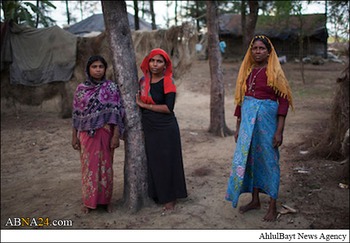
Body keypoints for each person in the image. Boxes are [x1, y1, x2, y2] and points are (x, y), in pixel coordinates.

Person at [225, 35, 294, 221]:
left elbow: (284, 101)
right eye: (254, 48)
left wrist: (279, 130)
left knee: (269, 161)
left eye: (261, 48)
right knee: (250, 159)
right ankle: (255, 200)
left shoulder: (275, 73)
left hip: (267, 123)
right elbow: (240, 100)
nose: (257, 51)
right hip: (248, 123)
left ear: (269, 51)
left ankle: (272, 204)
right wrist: (238, 127)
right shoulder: (247, 72)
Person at [135, 48, 187, 212]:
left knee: (167, 162)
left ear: (165, 65)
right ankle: (157, 194)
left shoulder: (168, 82)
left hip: (165, 127)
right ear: (147, 62)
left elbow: (168, 108)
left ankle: (170, 198)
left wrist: (144, 105)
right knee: (154, 162)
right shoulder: (143, 82)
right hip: (149, 126)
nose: (155, 64)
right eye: (152, 60)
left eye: (159, 61)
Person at [72, 55, 125, 214]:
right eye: (94, 66)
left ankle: (106, 201)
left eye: (100, 66)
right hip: (86, 135)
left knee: (106, 167)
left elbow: (116, 113)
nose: (97, 70)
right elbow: (76, 114)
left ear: (105, 69)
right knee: (89, 168)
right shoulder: (81, 90)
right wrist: (74, 136)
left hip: (106, 133)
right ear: (88, 69)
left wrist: (116, 136)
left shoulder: (111, 88)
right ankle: (89, 202)